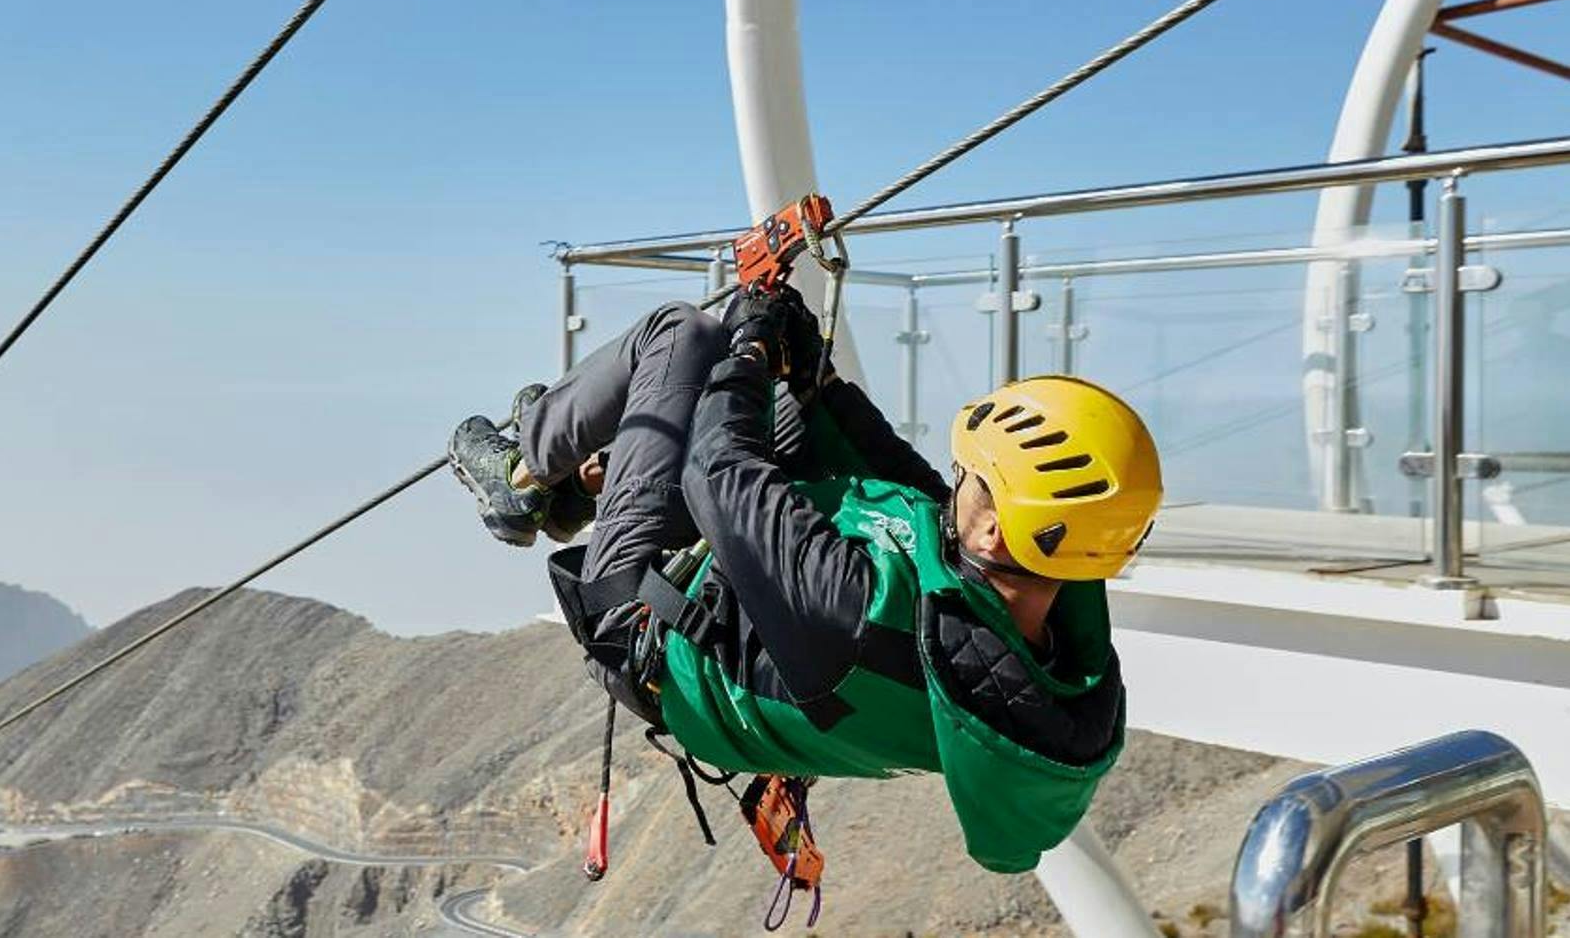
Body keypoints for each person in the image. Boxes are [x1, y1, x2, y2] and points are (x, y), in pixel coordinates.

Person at [449, 287, 1162, 872]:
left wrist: (754, 347)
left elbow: (717, 468)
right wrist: (815, 377)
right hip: (749, 620)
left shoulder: (862, 611)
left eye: (973, 480)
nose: (956, 482)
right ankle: (599, 474)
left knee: (683, 338)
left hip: (644, 619)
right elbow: (910, 495)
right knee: (775, 400)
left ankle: (521, 478)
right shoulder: (1036, 634)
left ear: (996, 529)